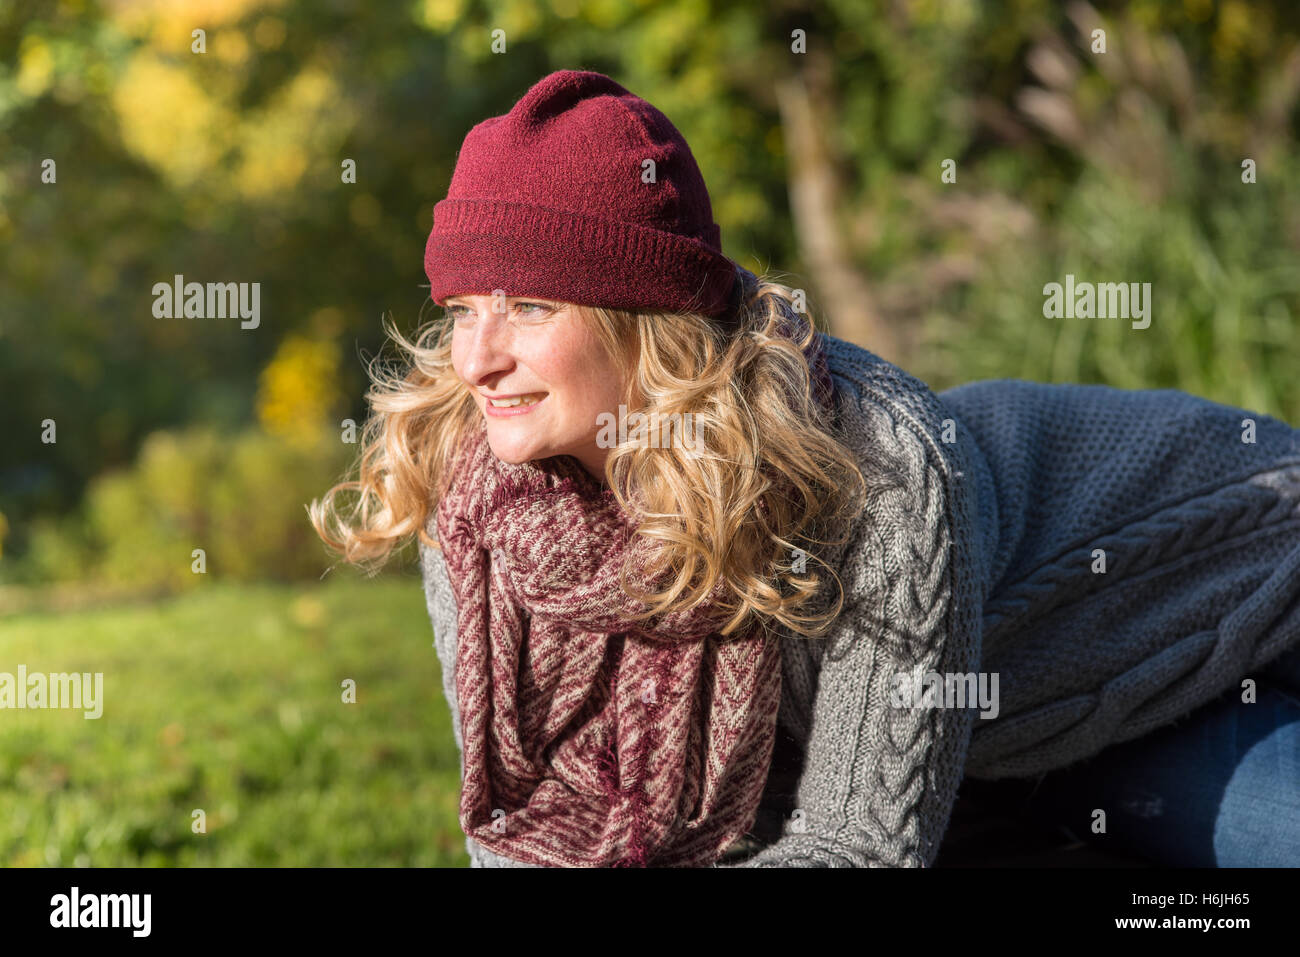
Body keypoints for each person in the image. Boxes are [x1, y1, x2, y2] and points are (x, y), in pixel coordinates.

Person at [309, 69, 1300, 868]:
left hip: (1182, 646)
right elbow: (517, 829)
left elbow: (857, 845)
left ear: (643, 326)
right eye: (463, 306)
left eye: (528, 308)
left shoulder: (871, 466)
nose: (477, 357)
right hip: (965, 773)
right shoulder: (475, 497)